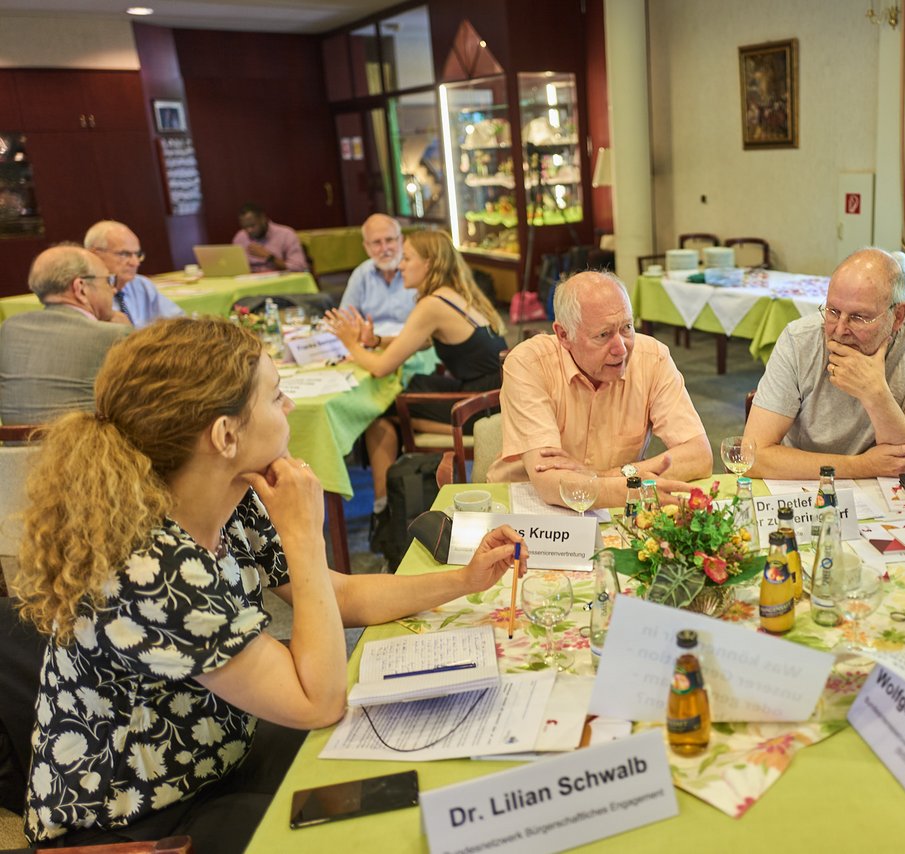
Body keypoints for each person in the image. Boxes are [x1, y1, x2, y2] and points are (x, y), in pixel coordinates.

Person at [12, 317, 524, 851]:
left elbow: (335, 596)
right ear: (225, 434)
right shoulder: (152, 569)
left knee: (405, 771)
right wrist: (304, 534)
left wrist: (464, 580)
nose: (290, 408)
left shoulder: (229, 502)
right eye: (277, 396)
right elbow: (316, 701)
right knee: (375, 827)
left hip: (219, 753)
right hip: (139, 820)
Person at [325, 229, 507, 523]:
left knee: (379, 411)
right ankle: (391, 503)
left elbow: (381, 367)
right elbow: (415, 340)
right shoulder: (453, 293)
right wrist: (373, 342)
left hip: (478, 408)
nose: (400, 265)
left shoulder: (431, 305)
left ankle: (387, 510)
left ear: (430, 263)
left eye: (407, 258)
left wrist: (349, 343)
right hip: (491, 395)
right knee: (403, 393)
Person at [489, 271, 711, 509]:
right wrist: (632, 483)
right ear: (564, 335)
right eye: (603, 335)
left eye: (627, 327)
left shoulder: (653, 358)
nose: (621, 349)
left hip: (611, 507)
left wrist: (602, 476)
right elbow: (549, 483)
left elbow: (699, 456)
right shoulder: (529, 363)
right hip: (527, 505)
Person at [744, 247, 905, 479]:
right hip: (809, 482)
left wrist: (874, 393)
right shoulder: (799, 340)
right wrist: (863, 466)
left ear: (898, 316)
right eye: (833, 311)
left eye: (859, 318)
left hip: (899, 485)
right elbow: (753, 457)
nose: (839, 331)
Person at [0, 244, 130, 425]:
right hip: (82, 450)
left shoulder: (8, 329)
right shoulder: (114, 334)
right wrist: (133, 335)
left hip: (12, 451)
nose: (113, 289)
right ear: (80, 288)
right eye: (108, 281)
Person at [84, 220, 183, 327]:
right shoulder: (84, 294)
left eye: (137, 254)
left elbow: (178, 322)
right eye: (124, 254)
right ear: (94, 255)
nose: (135, 263)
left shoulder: (142, 285)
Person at [337, 214, 417, 334]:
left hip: (412, 342)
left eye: (389, 240)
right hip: (372, 343)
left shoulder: (416, 270)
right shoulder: (361, 274)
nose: (384, 249)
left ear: (401, 240)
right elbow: (345, 319)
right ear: (366, 247)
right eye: (376, 243)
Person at [231, 203, 307, 273]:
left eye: (252, 226)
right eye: (245, 227)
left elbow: (299, 267)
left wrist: (269, 257)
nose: (249, 230)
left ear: (263, 219)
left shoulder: (286, 234)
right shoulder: (240, 237)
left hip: (279, 282)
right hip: (249, 281)